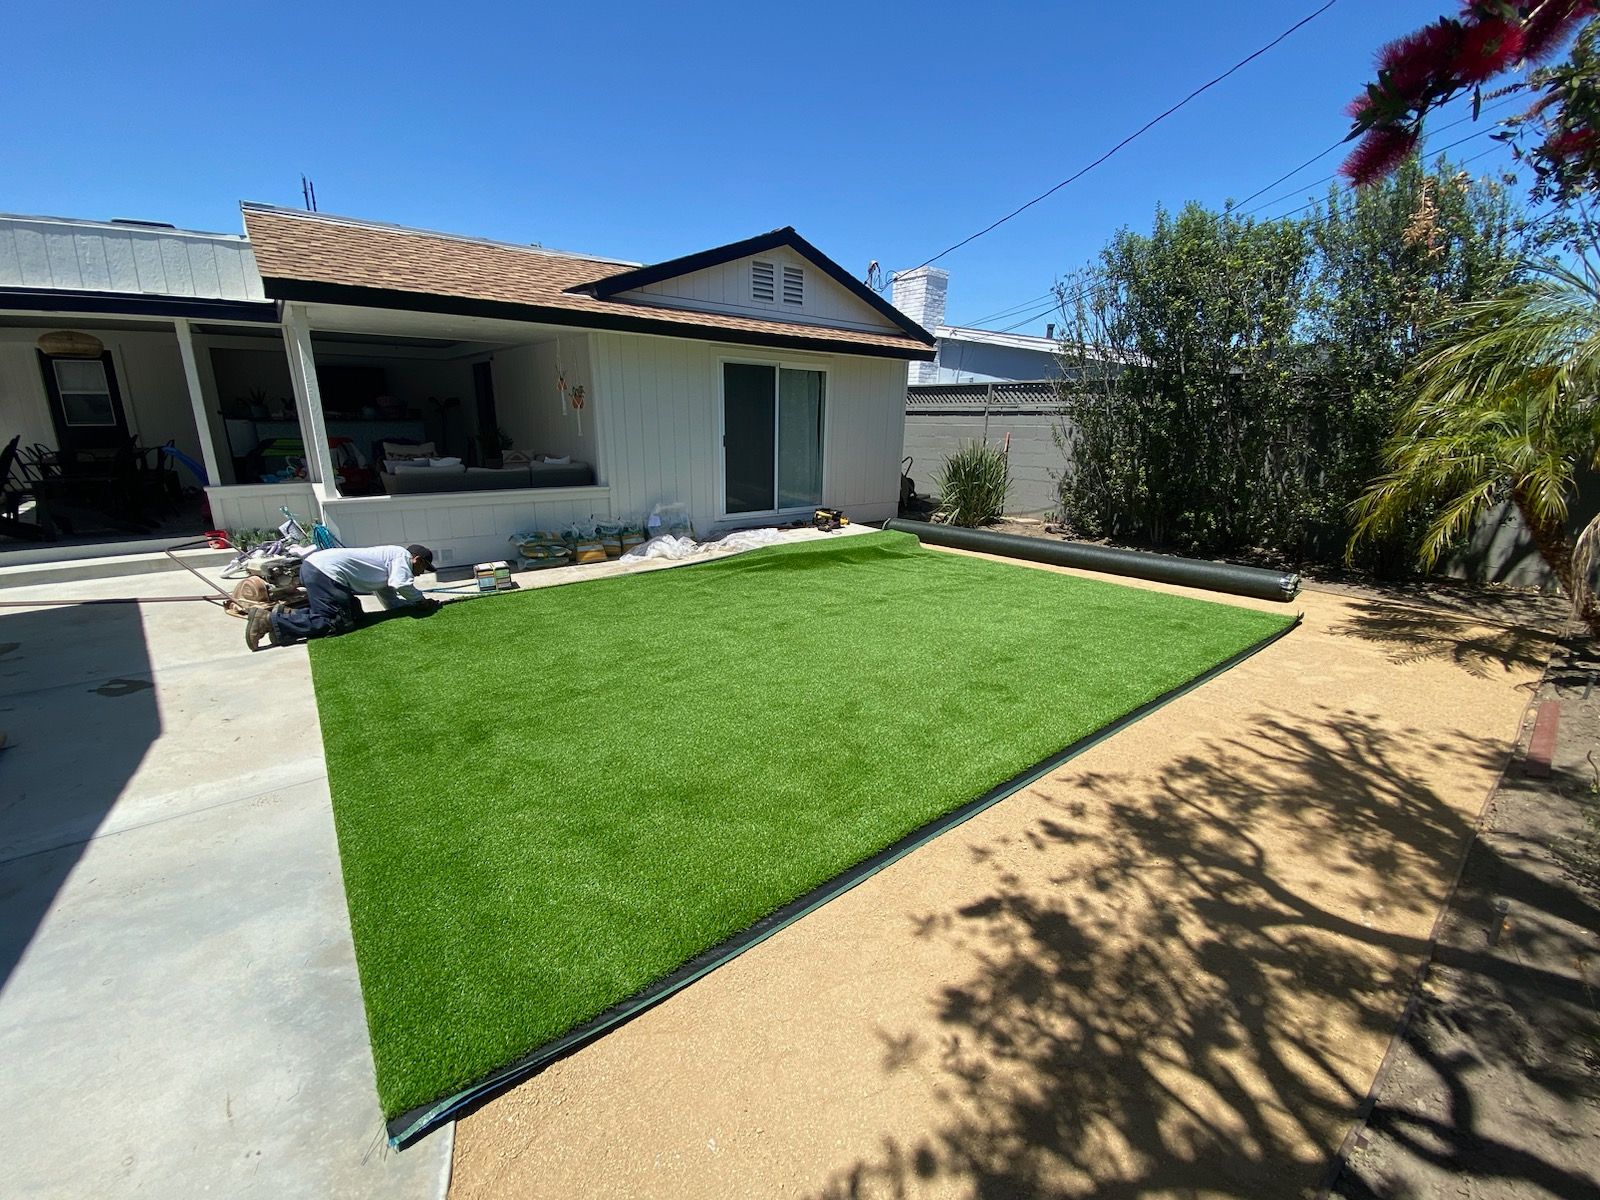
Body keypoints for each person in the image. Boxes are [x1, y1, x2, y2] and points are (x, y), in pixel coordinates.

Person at [247, 542, 440, 651]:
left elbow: (390, 597)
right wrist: (421, 601)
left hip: (317, 569)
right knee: (335, 622)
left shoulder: (391, 560)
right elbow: (401, 584)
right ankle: (269, 621)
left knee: (355, 615)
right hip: (324, 572)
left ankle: (287, 615)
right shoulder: (402, 558)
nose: (422, 573)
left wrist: (406, 606)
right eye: (424, 568)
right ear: (417, 559)